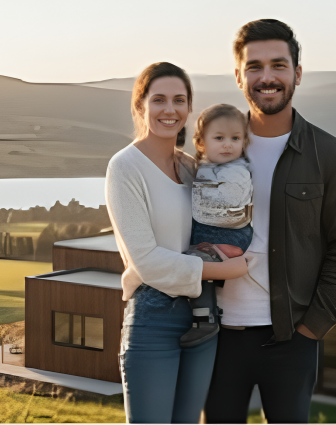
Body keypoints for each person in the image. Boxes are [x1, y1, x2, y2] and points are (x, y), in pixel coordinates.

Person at [203, 19, 336, 423]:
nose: (267, 77)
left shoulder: (327, 153)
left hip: (292, 337)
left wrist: (314, 327)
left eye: (278, 65)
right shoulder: (212, 151)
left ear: (297, 74)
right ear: (238, 76)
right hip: (216, 336)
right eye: (254, 67)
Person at [106, 62, 250, 424]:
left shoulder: (192, 168)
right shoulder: (125, 167)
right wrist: (224, 269)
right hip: (154, 316)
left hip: (203, 314)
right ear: (141, 106)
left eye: (179, 100)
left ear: (188, 109)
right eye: (158, 99)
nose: (169, 109)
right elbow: (148, 262)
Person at [179, 103, 254, 348]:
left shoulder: (236, 171)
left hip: (228, 235)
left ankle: (205, 320)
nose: (227, 144)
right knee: (200, 270)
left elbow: (230, 204)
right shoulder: (208, 168)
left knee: (194, 263)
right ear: (201, 143)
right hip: (218, 232)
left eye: (235, 138)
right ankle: (219, 315)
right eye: (219, 138)